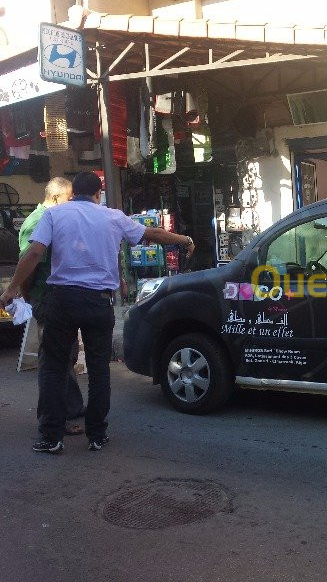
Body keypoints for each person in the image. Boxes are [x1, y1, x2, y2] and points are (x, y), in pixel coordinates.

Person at [0, 172, 194, 454]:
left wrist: (11, 290)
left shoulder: (54, 216)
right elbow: (153, 234)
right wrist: (185, 239)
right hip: (98, 303)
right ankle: (96, 435)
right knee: (99, 371)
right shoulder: (113, 217)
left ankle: (51, 437)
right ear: (98, 194)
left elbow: (32, 254)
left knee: (54, 369)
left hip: (62, 301)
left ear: (73, 192)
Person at [18, 177, 85, 436]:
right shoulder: (37, 222)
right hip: (46, 299)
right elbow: (29, 265)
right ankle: (53, 419)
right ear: (57, 198)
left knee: (65, 357)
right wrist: (29, 298)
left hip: (59, 300)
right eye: (69, 199)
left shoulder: (54, 219)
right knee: (53, 362)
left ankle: (72, 408)